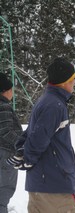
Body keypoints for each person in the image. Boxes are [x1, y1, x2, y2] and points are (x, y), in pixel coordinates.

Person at [6, 58, 75, 212]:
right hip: (53, 186)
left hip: (45, 182)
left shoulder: (48, 101)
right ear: (64, 82)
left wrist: (23, 151)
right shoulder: (54, 105)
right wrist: (27, 157)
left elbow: (31, 133)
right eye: (73, 79)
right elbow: (38, 138)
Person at [0, 73, 23, 213]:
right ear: (5, 91)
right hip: (5, 156)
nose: (12, 93)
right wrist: (22, 143)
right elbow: (6, 132)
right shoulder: (3, 106)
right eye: (11, 89)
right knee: (4, 190)